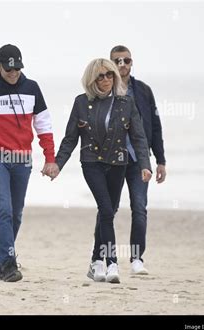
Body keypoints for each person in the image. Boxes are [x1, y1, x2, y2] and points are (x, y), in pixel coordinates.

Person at [47, 58, 152, 283]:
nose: (105, 79)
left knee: (108, 211)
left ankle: (96, 261)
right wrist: (57, 164)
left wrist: (145, 165)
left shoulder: (126, 102)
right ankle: (112, 263)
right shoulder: (81, 103)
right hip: (92, 162)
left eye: (109, 75)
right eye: (100, 76)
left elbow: (138, 137)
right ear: (92, 80)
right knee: (105, 209)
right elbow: (70, 139)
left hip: (118, 163)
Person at [0, 44, 56, 282]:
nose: (13, 73)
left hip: (22, 158)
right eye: (8, 69)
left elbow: (44, 126)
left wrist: (50, 158)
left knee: (16, 214)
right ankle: (7, 265)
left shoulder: (32, 88)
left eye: (17, 68)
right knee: (3, 209)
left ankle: (2, 254)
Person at [110, 45, 166, 275]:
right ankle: (107, 259)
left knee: (140, 208)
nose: (122, 65)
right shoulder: (104, 88)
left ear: (132, 63)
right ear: (111, 63)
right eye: (117, 61)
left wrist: (160, 160)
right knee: (108, 210)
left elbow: (155, 126)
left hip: (138, 160)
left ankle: (136, 259)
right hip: (111, 160)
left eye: (126, 60)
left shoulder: (143, 90)